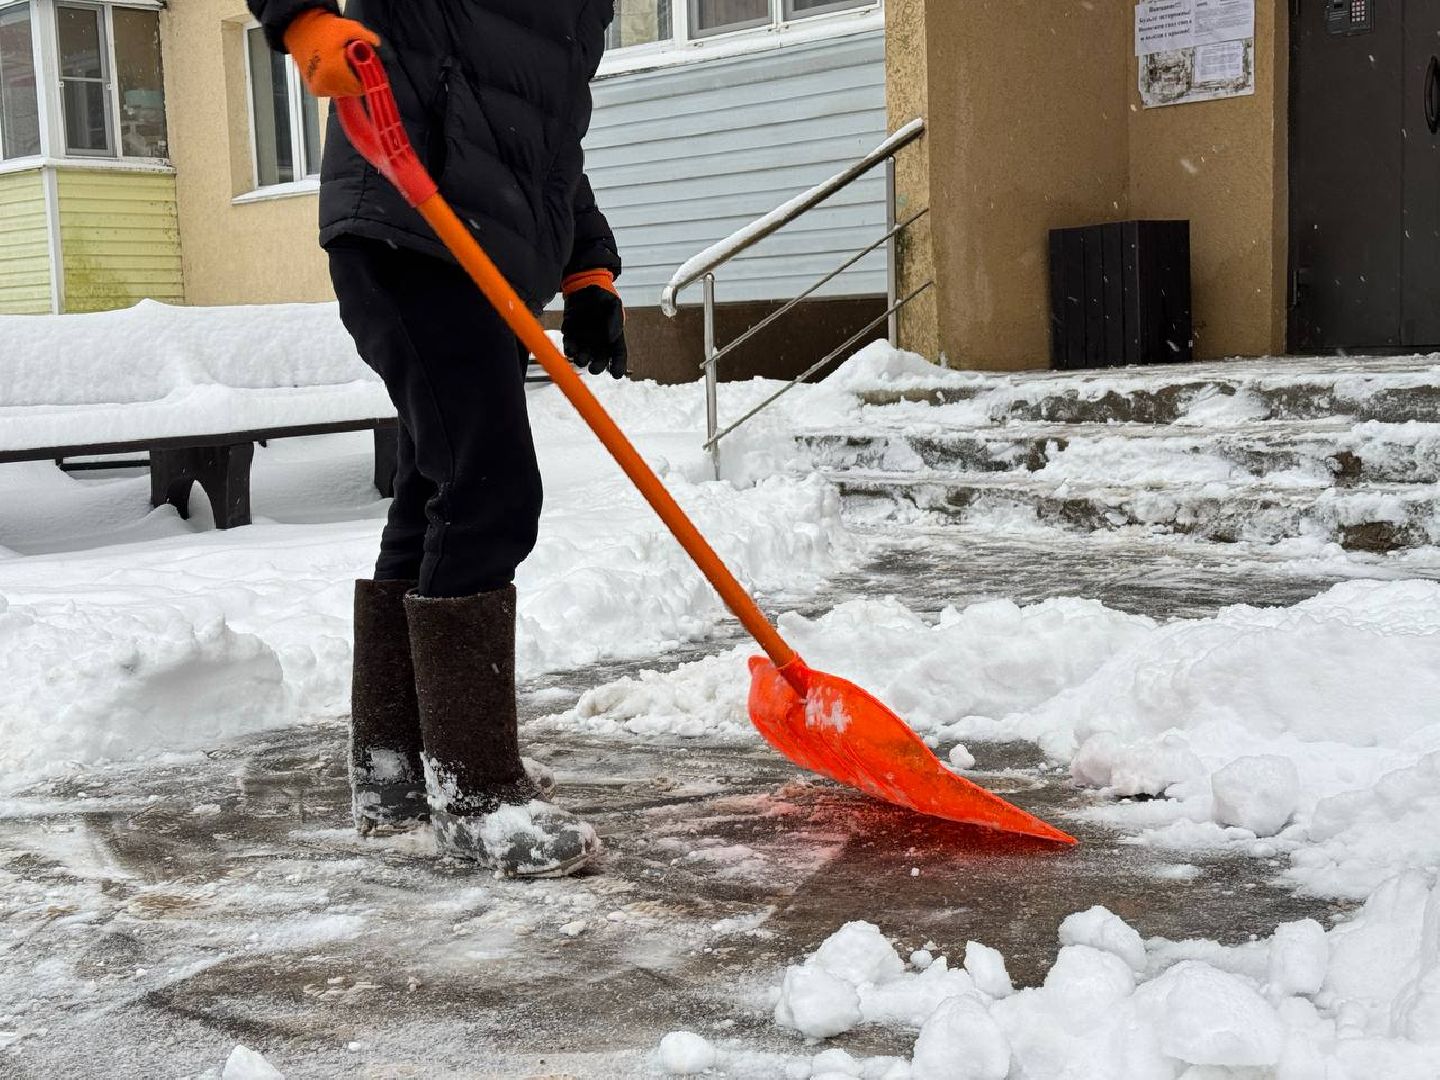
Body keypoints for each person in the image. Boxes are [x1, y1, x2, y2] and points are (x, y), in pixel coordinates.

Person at [246, 0, 627, 878]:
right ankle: (476, 795)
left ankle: (398, 770)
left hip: (490, 251)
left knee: (439, 483)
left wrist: (588, 268)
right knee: (489, 488)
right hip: (406, 218)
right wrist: (302, 17)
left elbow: (540, 145)